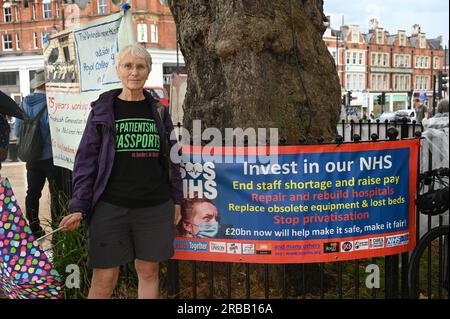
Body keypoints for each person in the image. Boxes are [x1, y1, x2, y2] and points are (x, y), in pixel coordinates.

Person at [58, 44, 183, 299]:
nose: (134, 72)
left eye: (140, 67)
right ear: (118, 70)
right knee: (104, 277)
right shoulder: (103, 111)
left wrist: (177, 199)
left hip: (154, 206)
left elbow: (172, 158)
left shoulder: (158, 110)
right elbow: (85, 162)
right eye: (128, 66)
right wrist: (78, 206)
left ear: (148, 71)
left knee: (148, 272)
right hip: (109, 207)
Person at [15, 69, 59, 239]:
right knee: (56, 194)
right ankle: (57, 229)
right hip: (50, 156)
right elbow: (53, 129)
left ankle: (34, 228)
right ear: (46, 85)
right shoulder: (51, 102)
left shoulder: (23, 103)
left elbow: (18, 131)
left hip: (32, 157)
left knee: (32, 193)